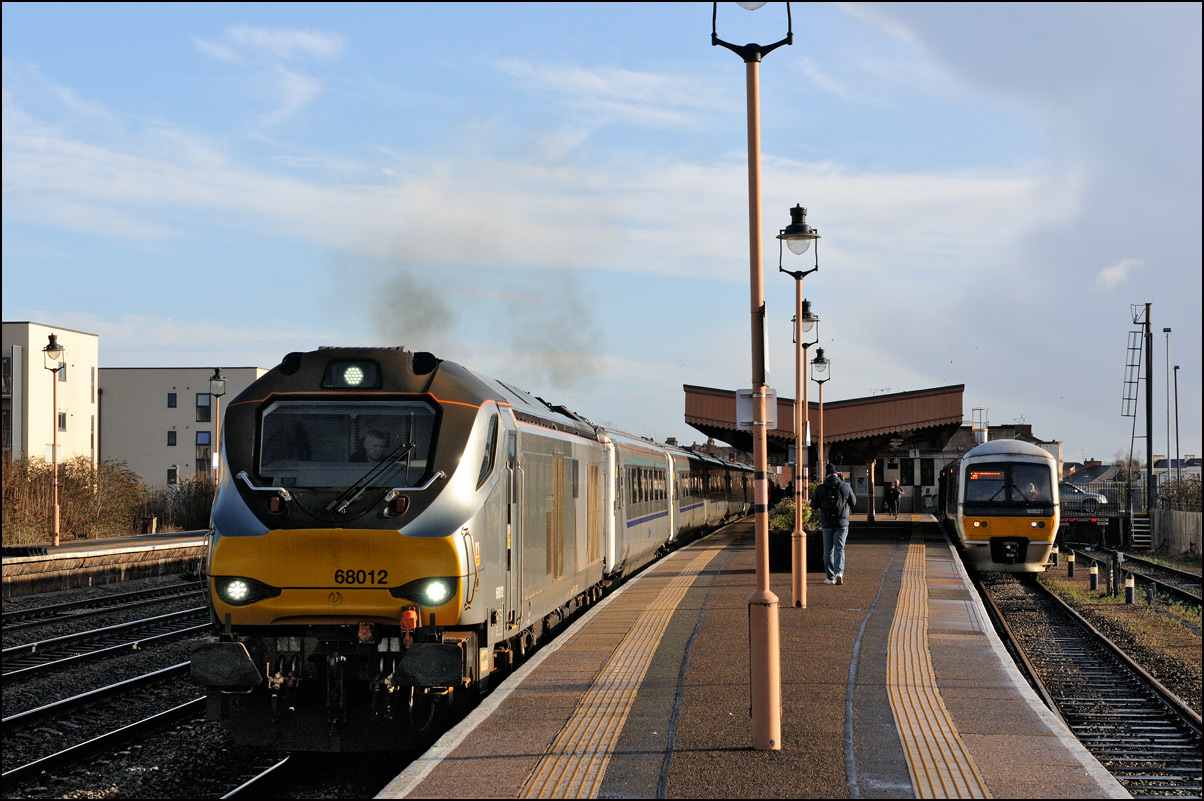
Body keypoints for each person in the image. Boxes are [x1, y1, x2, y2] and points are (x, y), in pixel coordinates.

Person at [810, 463, 857, 585]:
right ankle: (839, 572)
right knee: (839, 548)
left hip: (826, 523)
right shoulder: (844, 486)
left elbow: (813, 505)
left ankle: (830, 577)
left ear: (827, 475)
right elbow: (853, 502)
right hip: (842, 522)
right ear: (836, 474)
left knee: (828, 550)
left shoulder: (821, 488)